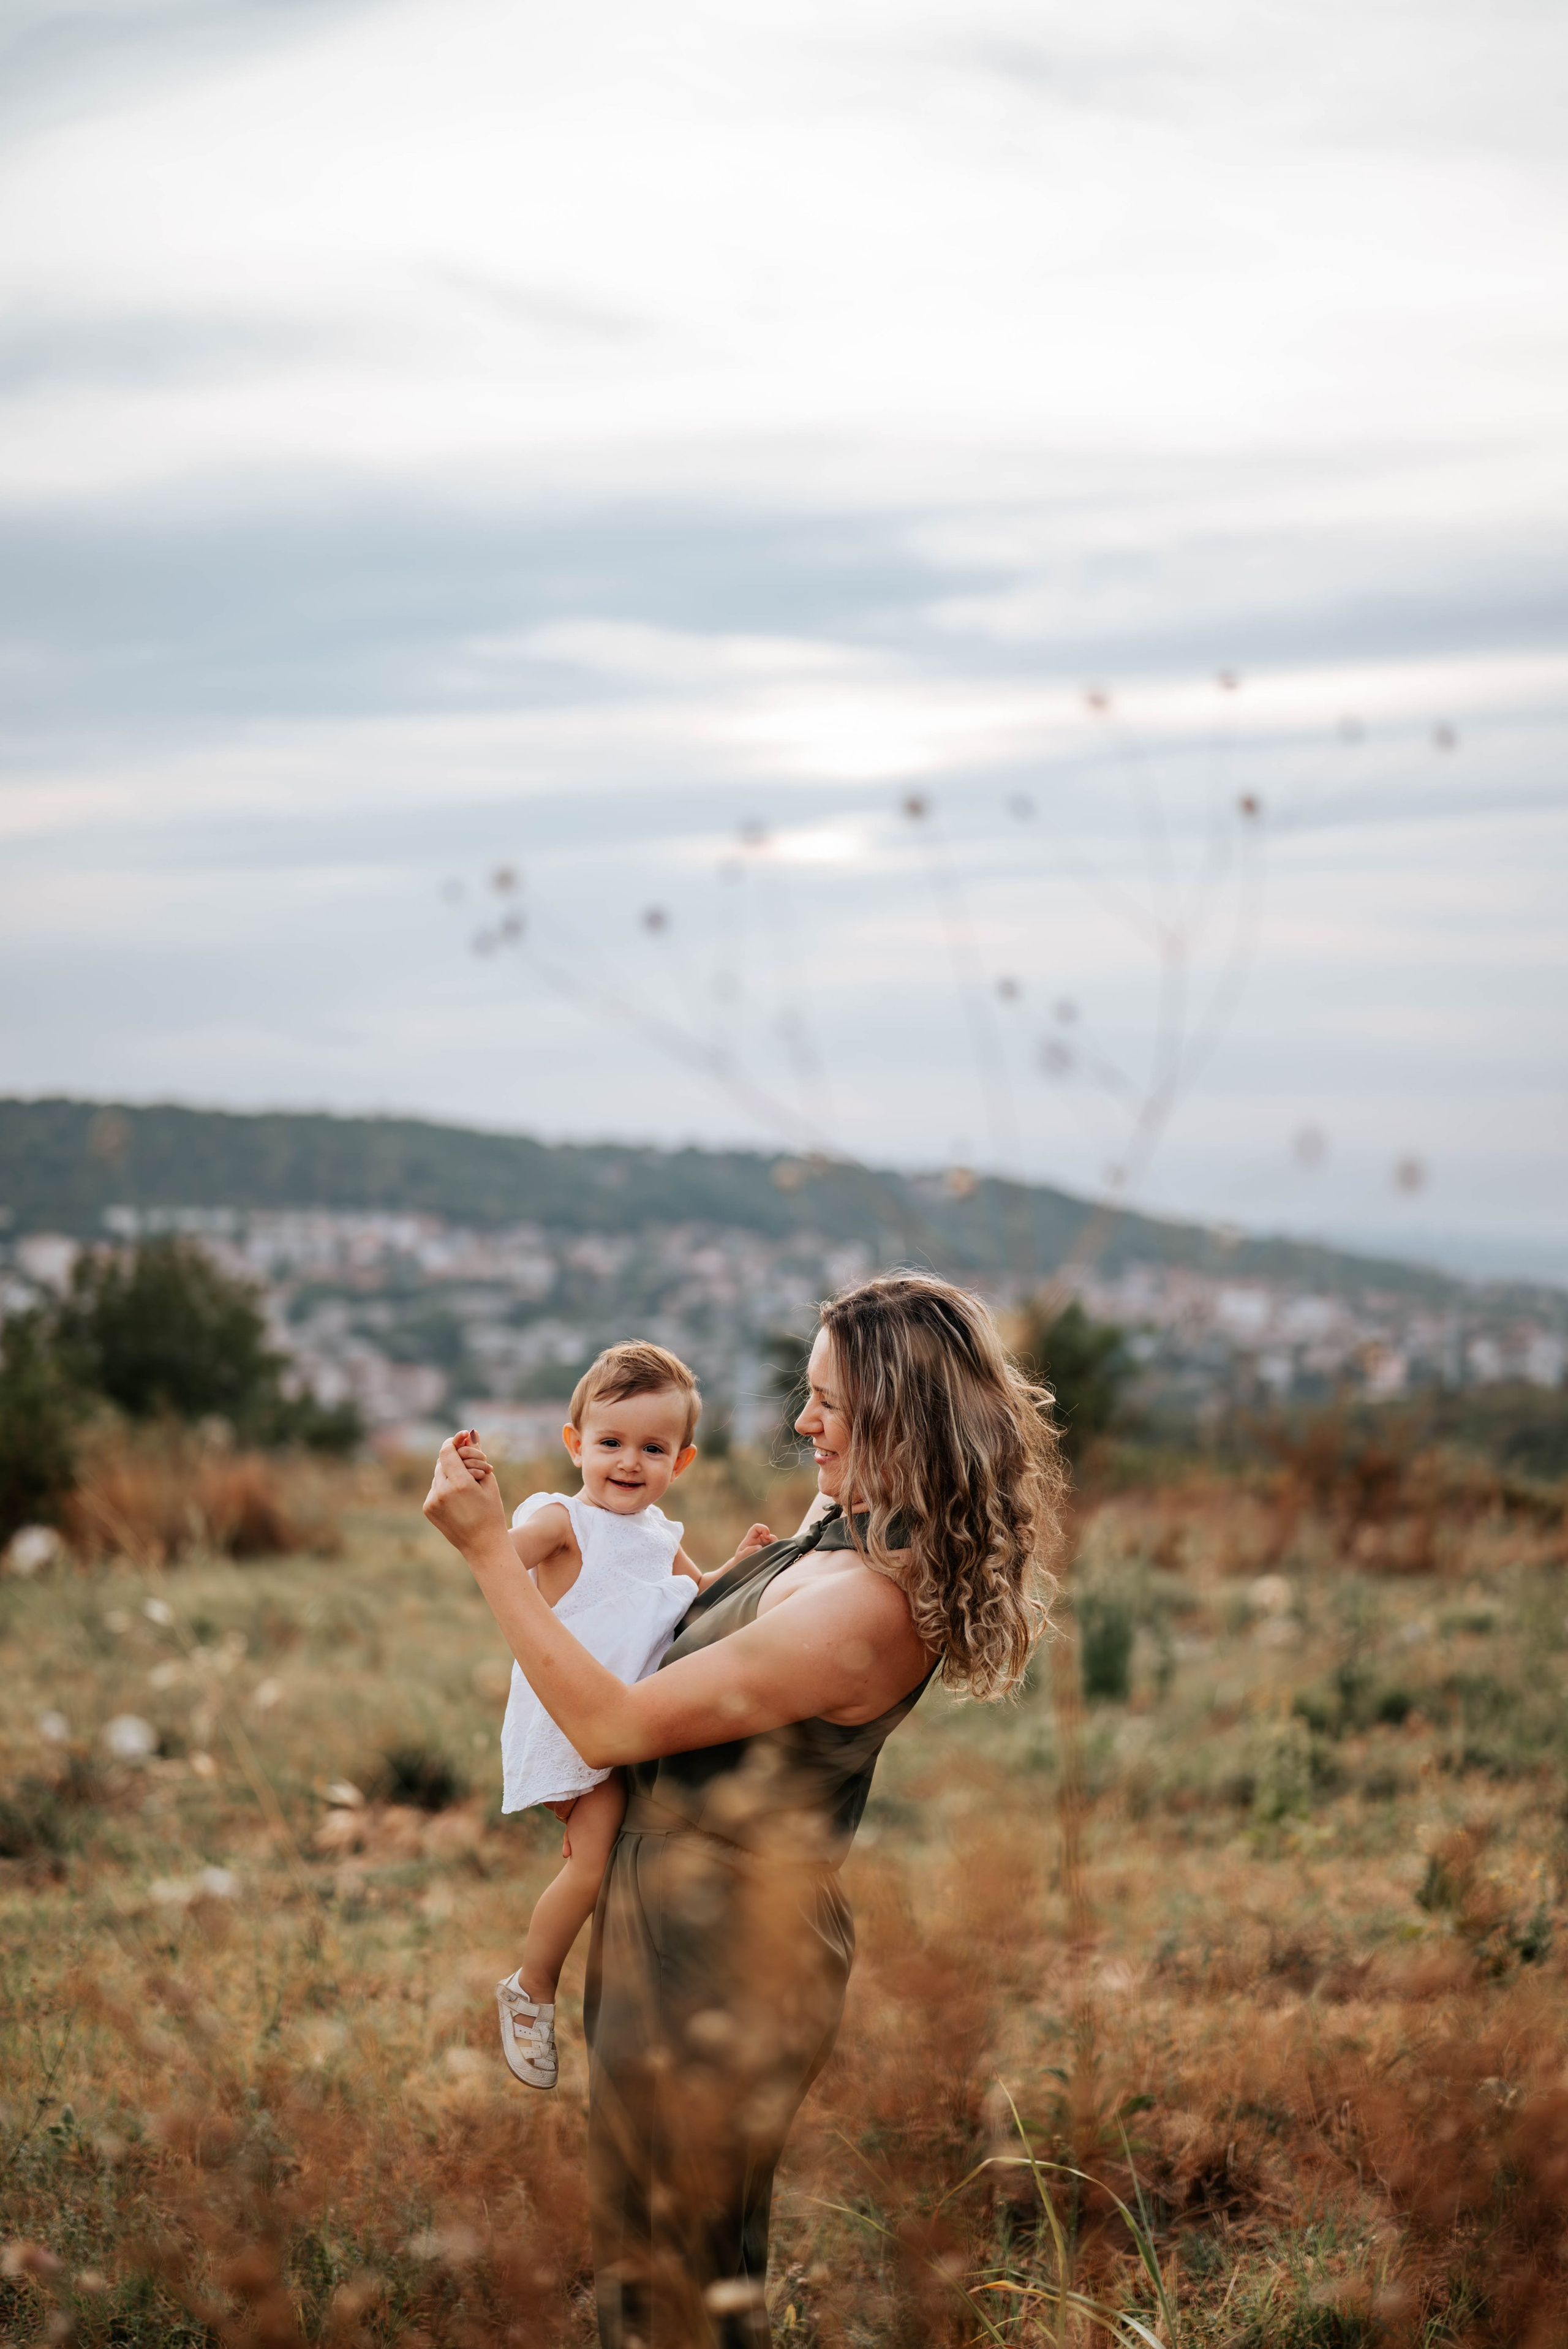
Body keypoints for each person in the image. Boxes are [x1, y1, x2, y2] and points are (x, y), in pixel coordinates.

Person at [424, 1272, 1065, 2348]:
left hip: (723, 1943)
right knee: (658, 2252)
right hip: (675, 1910)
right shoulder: (840, 1529)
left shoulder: (864, 1605)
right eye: (808, 1392)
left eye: (831, 1402)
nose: (803, 1420)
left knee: (680, 2271)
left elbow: (613, 1727)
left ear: (901, 1417)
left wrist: (492, 1553)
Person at [457, 1341, 774, 2091]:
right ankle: (532, 1985)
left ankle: (647, 1992)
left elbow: (696, 1599)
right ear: (575, 1444)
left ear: (681, 1461)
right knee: (594, 1863)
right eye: (610, 1443)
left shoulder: (660, 1534)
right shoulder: (564, 1519)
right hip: (576, 1725)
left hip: (637, 1721)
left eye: (652, 1449)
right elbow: (495, 1555)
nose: (630, 1462)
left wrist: (740, 1565)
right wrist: (476, 1499)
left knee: (635, 1861)